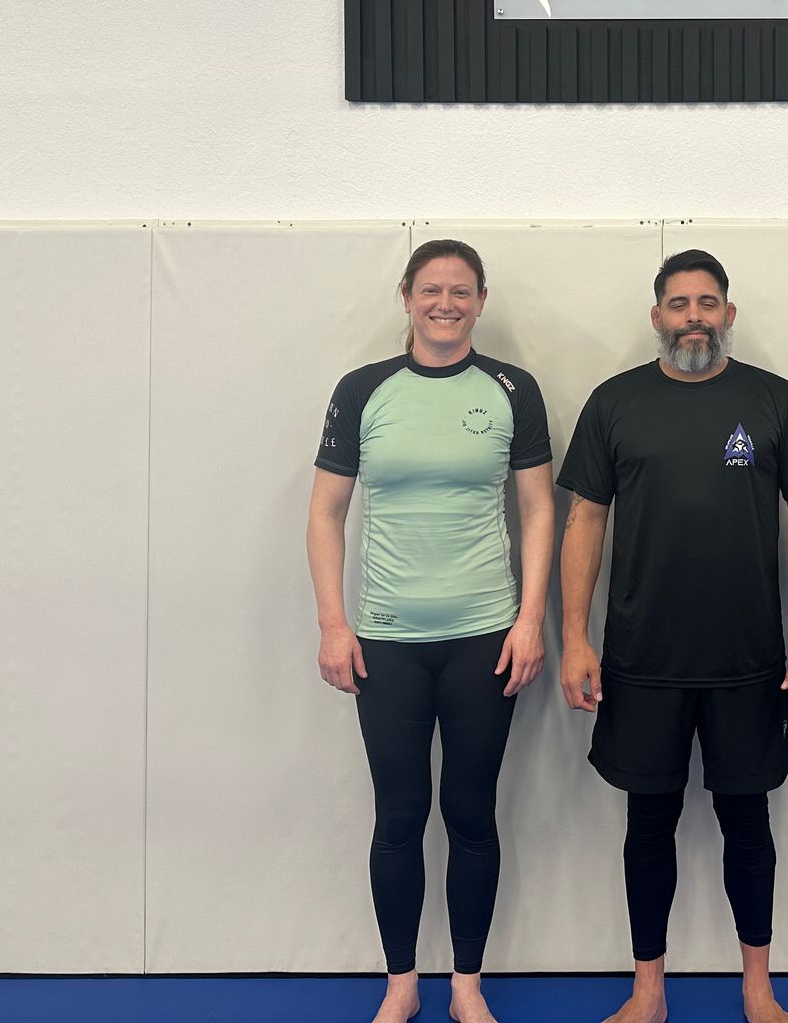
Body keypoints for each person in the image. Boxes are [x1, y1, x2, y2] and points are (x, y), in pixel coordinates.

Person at [558, 249, 788, 1023]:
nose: (693, 317)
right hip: (641, 660)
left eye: (707, 303)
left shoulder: (774, 401)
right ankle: (648, 991)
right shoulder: (615, 403)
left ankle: (758, 990)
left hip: (748, 661)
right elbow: (585, 519)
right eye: (679, 304)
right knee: (648, 825)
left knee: (747, 823)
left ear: (728, 314)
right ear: (657, 316)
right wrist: (574, 636)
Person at [305, 239, 556, 1023]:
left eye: (460, 291)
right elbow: (325, 512)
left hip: (486, 637)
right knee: (399, 815)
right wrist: (334, 624)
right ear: (407, 297)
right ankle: (402, 985)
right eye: (431, 290)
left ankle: (467, 986)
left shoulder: (512, 389)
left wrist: (531, 620)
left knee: (472, 814)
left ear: (481, 301)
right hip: (386, 641)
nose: (445, 304)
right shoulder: (364, 390)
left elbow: (538, 509)